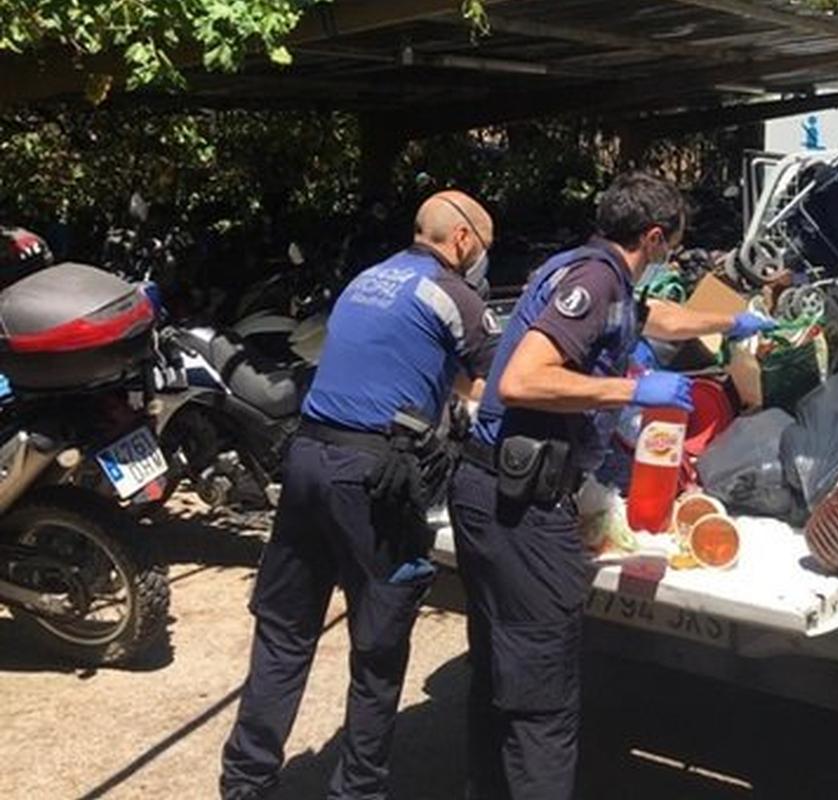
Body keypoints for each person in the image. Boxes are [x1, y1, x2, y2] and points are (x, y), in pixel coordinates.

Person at [448, 171, 773, 799]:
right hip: (521, 502)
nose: (672, 254)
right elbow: (521, 379)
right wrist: (630, 391)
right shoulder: (596, 281)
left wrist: (735, 321)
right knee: (542, 698)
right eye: (672, 244)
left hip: (494, 488)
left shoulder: (599, 275)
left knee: (499, 675)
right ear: (652, 238)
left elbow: (659, 318)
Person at [220, 190, 499, 800]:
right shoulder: (454, 294)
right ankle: (358, 790)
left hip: (307, 459)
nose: (483, 259)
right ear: (462, 240)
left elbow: (411, 359)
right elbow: (503, 380)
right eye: (484, 247)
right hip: (373, 476)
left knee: (285, 631)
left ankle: (245, 782)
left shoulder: (367, 280)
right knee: (377, 650)